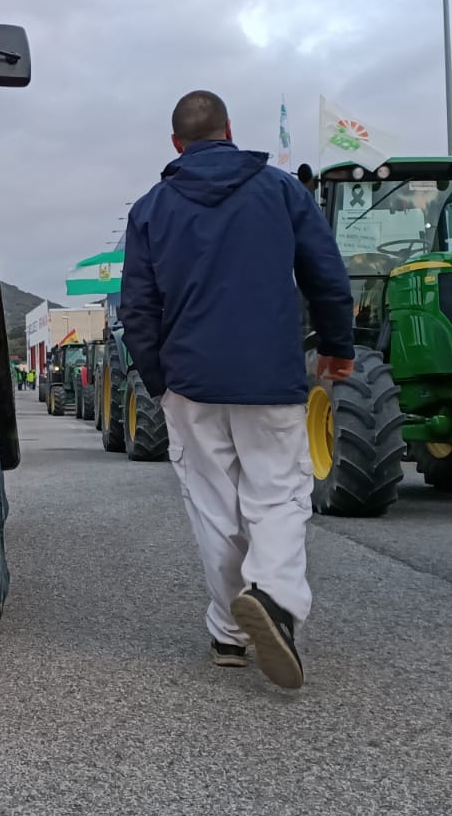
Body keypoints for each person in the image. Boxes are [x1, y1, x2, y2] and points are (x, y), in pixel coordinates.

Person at [117, 89, 354, 689]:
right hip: (269, 377)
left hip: (190, 382)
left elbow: (138, 309)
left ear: (176, 144)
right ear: (229, 129)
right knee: (276, 496)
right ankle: (272, 598)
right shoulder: (281, 190)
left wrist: (159, 380)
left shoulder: (149, 210)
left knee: (214, 507)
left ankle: (229, 631)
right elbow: (324, 271)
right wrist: (338, 346)